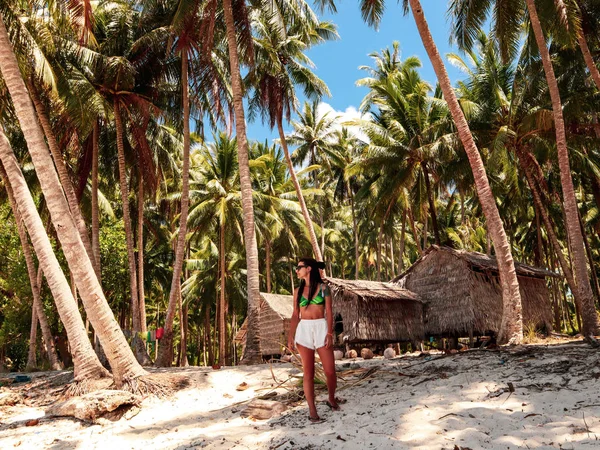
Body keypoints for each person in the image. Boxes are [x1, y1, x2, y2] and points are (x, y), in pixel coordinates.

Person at [287, 258, 345, 423]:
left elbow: (329, 312)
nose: (297, 270)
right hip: (304, 330)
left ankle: (331, 398)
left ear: (309, 268)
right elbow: (294, 315)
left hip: (321, 328)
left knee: (330, 371)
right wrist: (290, 336)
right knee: (308, 373)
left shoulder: (324, 289)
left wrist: (329, 333)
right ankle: (312, 411)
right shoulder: (297, 291)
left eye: (299, 267)